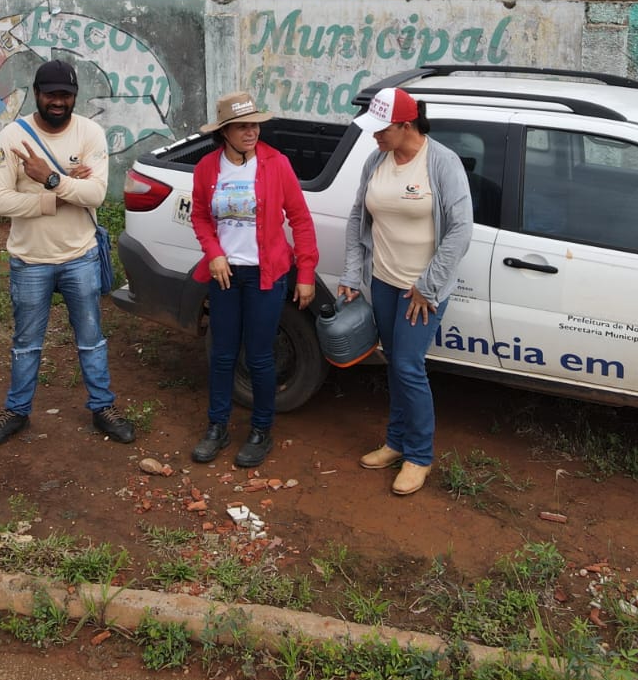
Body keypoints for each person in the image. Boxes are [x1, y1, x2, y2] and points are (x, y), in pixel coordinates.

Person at [0, 58, 136, 448]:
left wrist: (48, 179)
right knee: (27, 342)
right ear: (37, 94)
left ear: (74, 97)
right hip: (29, 259)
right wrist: (59, 196)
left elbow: (97, 194)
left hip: (79, 256)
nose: (58, 102)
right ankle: (16, 411)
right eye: (51, 94)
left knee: (91, 338)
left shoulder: (90, 133)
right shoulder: (12, 138)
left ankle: (103, 407)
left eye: (65, 95)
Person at [338, 87, 472, 496]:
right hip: (383, 281)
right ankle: (395, 442)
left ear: (406, 125)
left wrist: (428, 287)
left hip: (422, 291)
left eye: (382, 130)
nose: (374, 136)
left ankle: (419, 455)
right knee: (394, 361)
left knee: (409, 366)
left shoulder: (442, 162)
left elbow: (461, 229)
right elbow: (358, 217)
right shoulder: (376, 159)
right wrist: (351, 271)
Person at [187, 92, 318, 468]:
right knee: (222, 355)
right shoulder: (208, 168)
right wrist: (214, 253)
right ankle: (217, 426)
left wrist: (305, 272)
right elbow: (199, 215)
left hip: (266, 275)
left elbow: (300, 219)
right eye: (242, 126)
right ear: (224, 131)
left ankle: (261, 430)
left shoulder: (276, 164)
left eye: (255, 124)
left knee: (260, 357)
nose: (251, 131)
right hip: (226, 275)